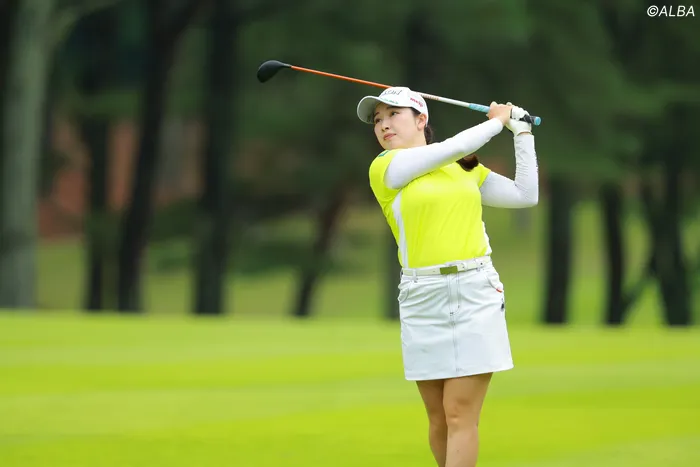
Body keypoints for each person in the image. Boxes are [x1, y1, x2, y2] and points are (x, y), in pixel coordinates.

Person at [356, 87, 538, 467]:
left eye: (394, 114)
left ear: (421, 119)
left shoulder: (464, 169)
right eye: (378, 119)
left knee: (459, 413)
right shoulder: (385, 168)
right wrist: (496, 123)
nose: (384, 124)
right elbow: (451, 148)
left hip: (475, 291)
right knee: (438, 417)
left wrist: (521, 133)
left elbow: (525, 195)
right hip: (422, 295)